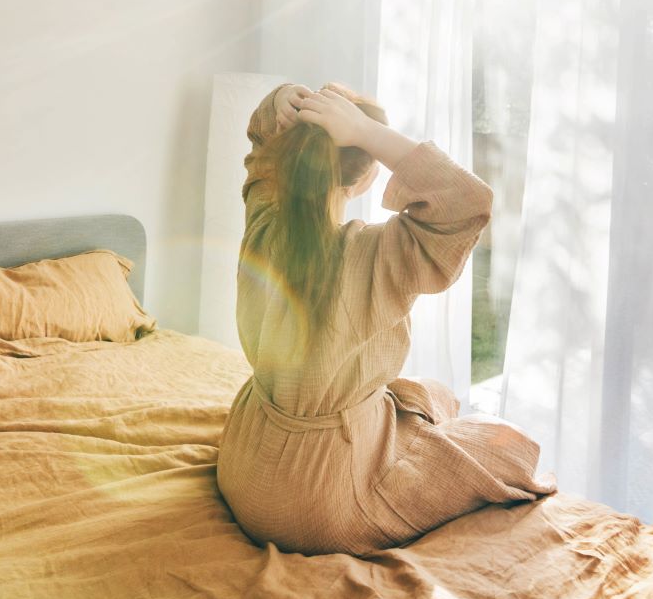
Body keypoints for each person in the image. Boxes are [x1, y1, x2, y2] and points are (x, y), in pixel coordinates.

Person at [215, 81, 555, 556]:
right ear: (364, 177)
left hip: (245, 466)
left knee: (428, 394)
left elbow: (260, 145)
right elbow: (467, 201)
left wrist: (282, 99)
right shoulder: (372, 256)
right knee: (508, 446)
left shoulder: (264, 222)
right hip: (320, 500)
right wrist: (368, 132)